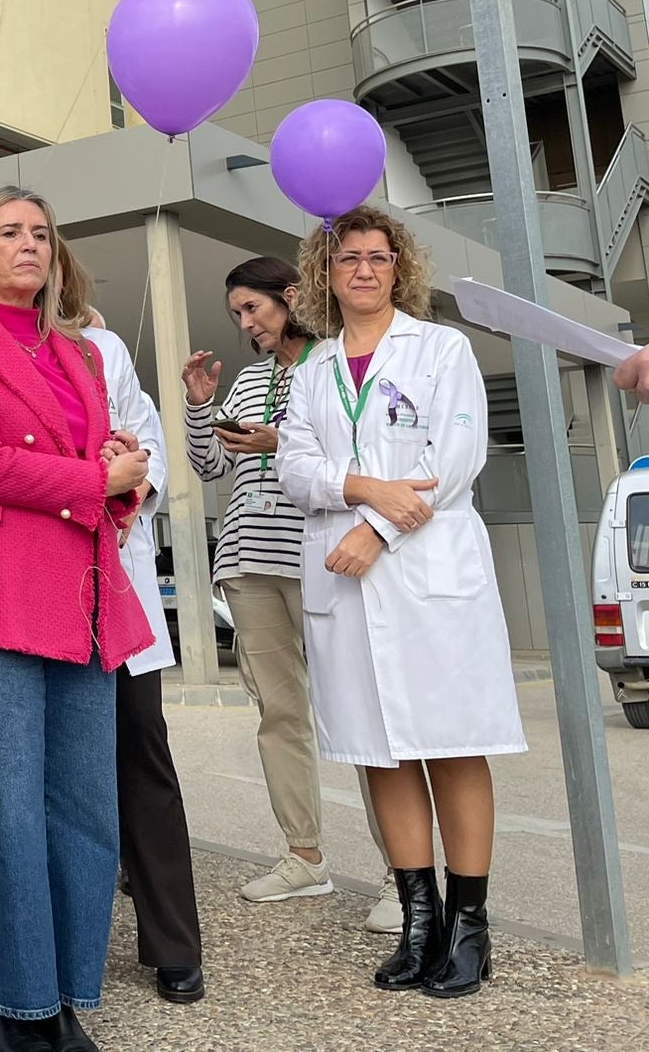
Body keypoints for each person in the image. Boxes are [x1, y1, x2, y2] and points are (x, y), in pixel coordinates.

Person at [0, 185, 151, 1052]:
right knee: (7, 814)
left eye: (42, 235)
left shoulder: (82, 354)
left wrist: (121, 476)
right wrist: (100, 483)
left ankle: (61, 991)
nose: (30, 246)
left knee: (87, 811)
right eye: (9, 233)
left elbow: (100, 463)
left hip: (83, 597)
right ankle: (17, 1010)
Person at [275, 206, 525, 999]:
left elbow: (454, 460)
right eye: (347, 259)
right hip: (343, 588)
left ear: (399, 267)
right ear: (325, 274)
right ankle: (420, 920)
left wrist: (375, 528)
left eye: (378, 257)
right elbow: (293, 468)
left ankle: (471, 924)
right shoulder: (311, 370)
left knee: (451, 743)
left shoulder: (441, 348)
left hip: (424, 573)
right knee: (380, 751)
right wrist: (362, 486)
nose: (363, 270)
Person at [183, 256, 400, 931]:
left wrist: (283, 444)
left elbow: (366, 461)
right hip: (248, 562)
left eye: (255, 308)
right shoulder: (249, 379)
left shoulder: (339, 366)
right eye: (238, 315)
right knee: (279, 714)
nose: (247, 324)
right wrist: (198, 407)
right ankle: (305, 857)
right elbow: (212, 463)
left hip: (322, 560)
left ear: (290, 297)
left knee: (360, 711)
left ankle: (405, 873)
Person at [73, 283, 204, 1007]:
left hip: (114, 587)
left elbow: (143, 445)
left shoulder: (104, 349)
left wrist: (125, 491)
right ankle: (67, 948)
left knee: (142, 763)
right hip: (38, 589)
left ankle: (173, 943)